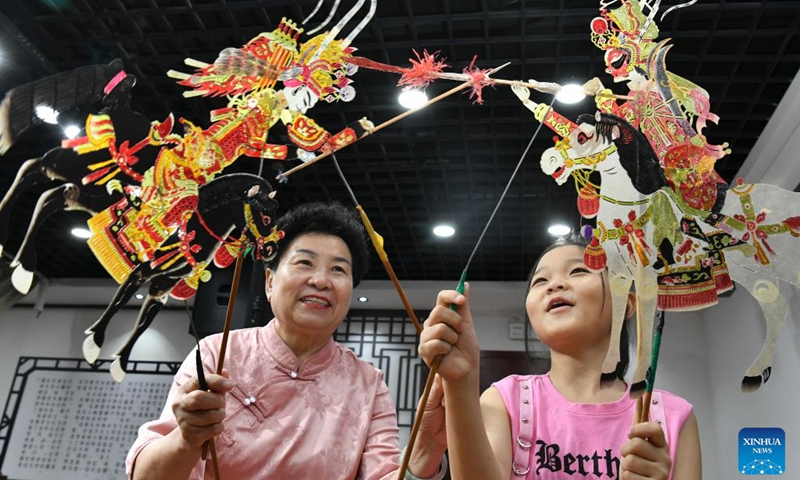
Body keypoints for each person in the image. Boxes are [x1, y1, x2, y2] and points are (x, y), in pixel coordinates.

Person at [126, 201, 448, 480]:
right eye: (305, 262)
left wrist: (427, 447)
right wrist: (185, 439)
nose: (321, 280)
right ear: (269, 282)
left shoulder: (367, 383)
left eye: (338, 270)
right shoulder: (217, 354)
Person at [418, 234, 702, 480]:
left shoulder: (672, 417)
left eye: (578, 271)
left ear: (625, 304)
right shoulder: (505, 400)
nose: (554, 285)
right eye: (540, 280)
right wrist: (461, 381)